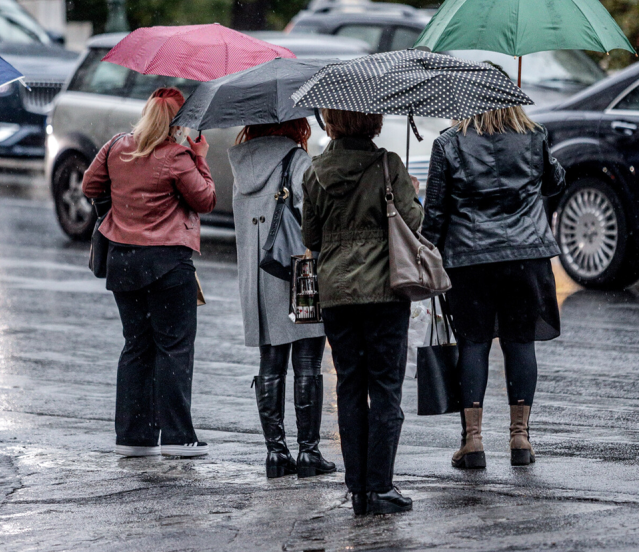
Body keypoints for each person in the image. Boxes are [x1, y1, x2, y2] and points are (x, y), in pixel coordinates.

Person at [421, 106, 566, 470]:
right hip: (525, 256)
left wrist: (426, 256)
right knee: (520, 341)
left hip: (470, 260)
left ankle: (473, 442)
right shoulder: (534, 136)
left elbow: (436, 211)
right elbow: (555, 183)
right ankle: (520, 438)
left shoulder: (448, 144)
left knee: (474, 343)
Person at [82, 88, 216, 458]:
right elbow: (205, 199)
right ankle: (177, 437)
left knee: (136, 346)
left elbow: (89, 185)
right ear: (177, 123)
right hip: (167, 263)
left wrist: (124, 199)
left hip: (122, 260)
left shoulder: (115, 146)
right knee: (173, 347)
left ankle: (133, 435)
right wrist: (200, 157)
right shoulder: (177, 156)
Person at [302, 109, 422, 516]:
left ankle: (357, 489)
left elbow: (311, 236)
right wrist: (411, 192)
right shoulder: (389, 164)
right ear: (372, 120)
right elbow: (413, 222)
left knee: (349, 385)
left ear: (331, 123)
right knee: (386, 387)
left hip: (336, 292)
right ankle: (380, 487)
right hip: (385, 291)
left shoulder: (315, 172)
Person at [229, 119, 336, 479]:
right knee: (307, 361)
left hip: (258, 276)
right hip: (298, 272)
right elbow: (313, 220)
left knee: (270, 362)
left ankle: (276, 453)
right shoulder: (297, 161)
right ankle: (308, 452)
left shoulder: (240, 165)